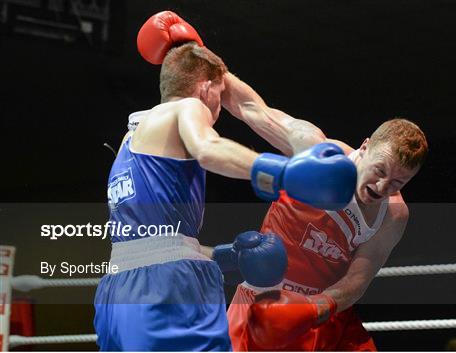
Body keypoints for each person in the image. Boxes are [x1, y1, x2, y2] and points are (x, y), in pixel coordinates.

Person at [93, 11, 357, 351]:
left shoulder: (129, 143)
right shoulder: (187, 106)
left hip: (116, 293)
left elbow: (151, 242)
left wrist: (224, 257)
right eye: (219, 96)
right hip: (165, 288)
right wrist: (284, 174)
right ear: (206, 89)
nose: (217, 112)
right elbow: (208, 148)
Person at [227, 118, 429, 351]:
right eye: (380, 170)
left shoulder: (393, 214)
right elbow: (254, 110)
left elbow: (356, 281)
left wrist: (311, 308)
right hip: (260, 298)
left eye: (397, 182)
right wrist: (217, 83)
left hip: (322, 312)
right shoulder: (317, 151)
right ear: (364, 147)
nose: (382, 187)